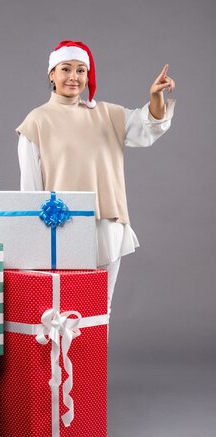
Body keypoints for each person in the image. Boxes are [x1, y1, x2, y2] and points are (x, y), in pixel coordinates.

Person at [16, 40, 176, 315]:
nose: (73, 77)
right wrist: (39, 240)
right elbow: (30, 189)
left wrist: (155, 98)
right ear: (51, 74)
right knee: (61, 312)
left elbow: (147, 128)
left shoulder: (107, 114)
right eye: (65, 69)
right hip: (61, 229)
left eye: (81, 70)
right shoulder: (37, 121)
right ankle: (61, 361)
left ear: (88, 76)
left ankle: (92, 360)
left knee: (99, 312)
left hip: (107, 228)